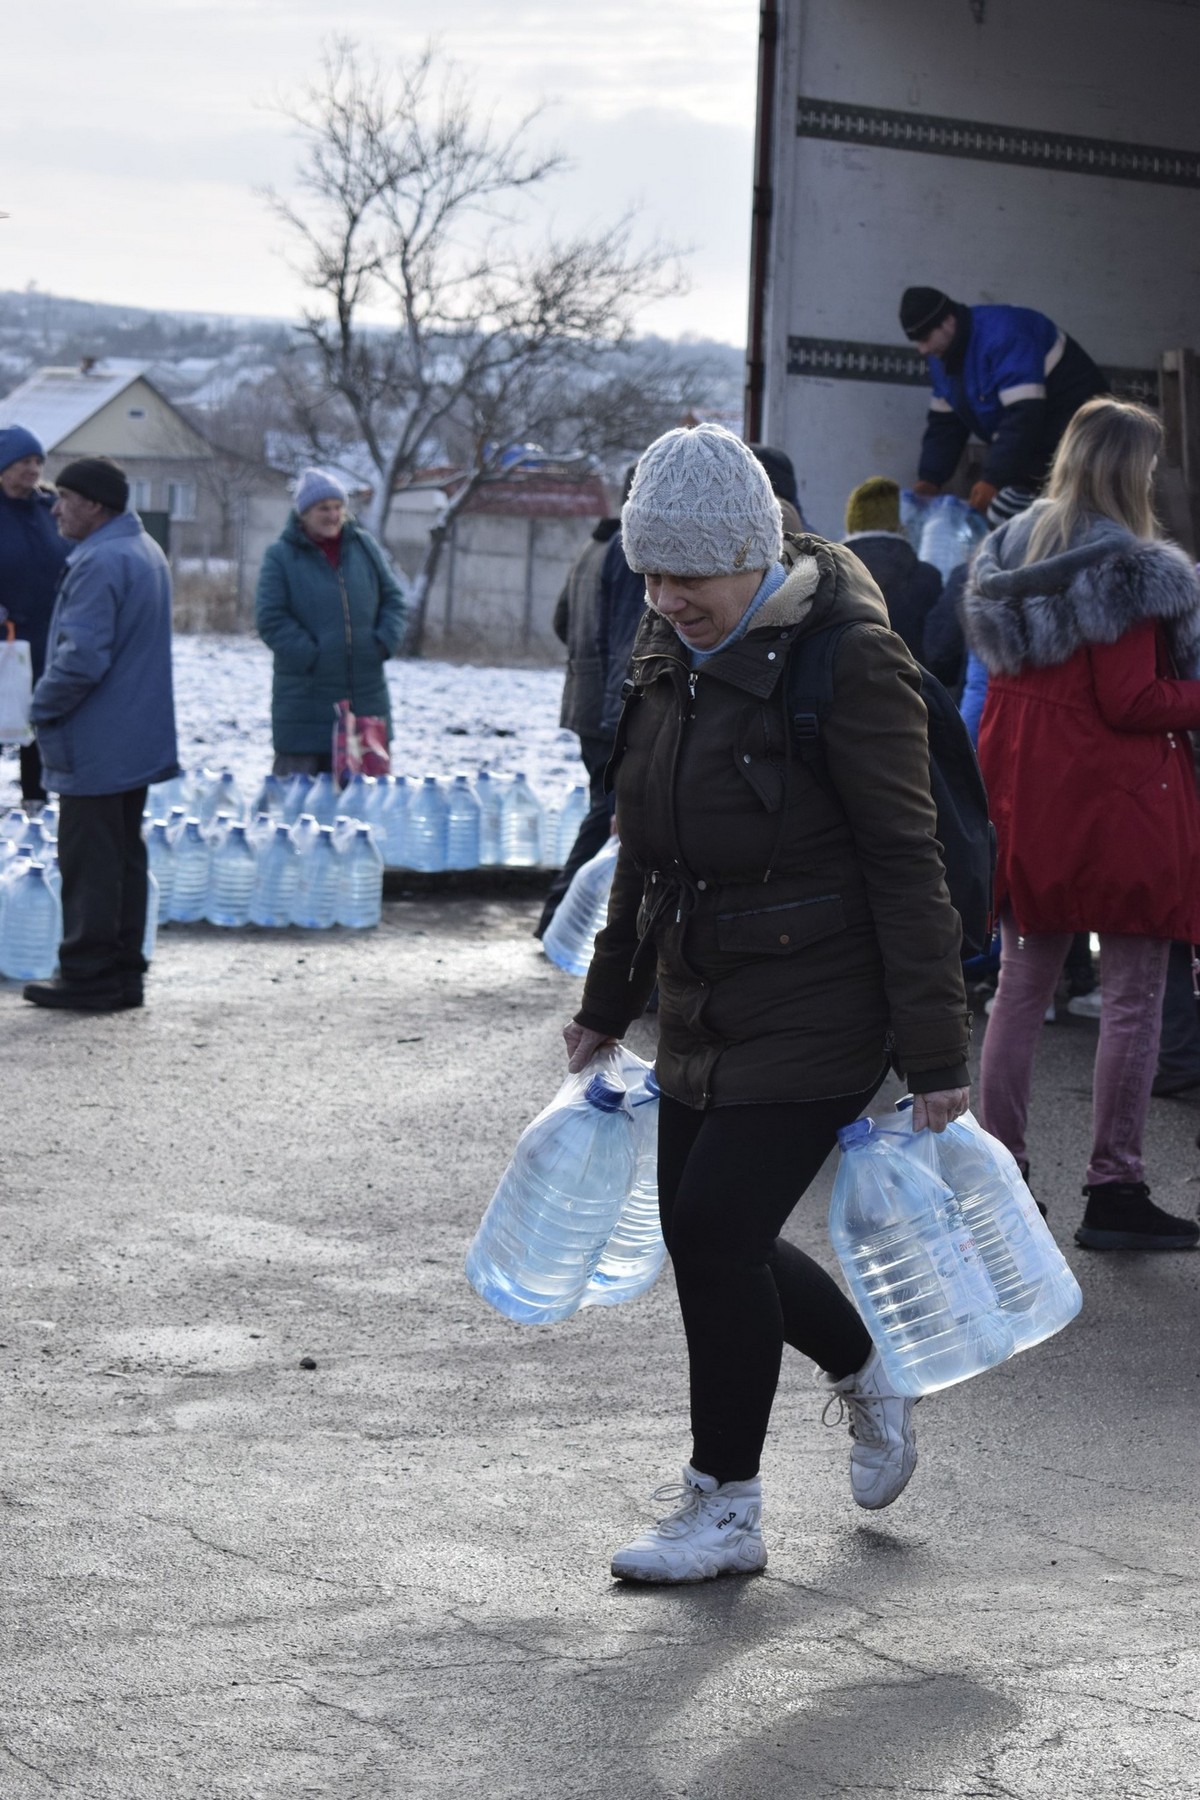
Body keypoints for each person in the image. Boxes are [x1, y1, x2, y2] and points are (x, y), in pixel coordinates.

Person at [562, 423, 971, 1584]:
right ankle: (865, 1367)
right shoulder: (664, 644)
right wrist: (609, 995)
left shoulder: (852, 661)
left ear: (754, 553)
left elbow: (909, 861)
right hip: (706, 989)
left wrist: (939, 1051)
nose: (663, 597)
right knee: (712, 1235)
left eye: (686, 575)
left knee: (711, 1230)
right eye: (649, 572)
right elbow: (641, 839)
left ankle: (723, 1510)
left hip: (827, 995)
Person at [963, 397, 1200, 1252]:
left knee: (1021, 989)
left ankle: (1002, 1176)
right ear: (1129, 470)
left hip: (1025, 797)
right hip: (1117, 807)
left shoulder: (1008, 548)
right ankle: (1115, 1188)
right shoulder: (1128, 568)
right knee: (1133, 997)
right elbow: (1130, 699)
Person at [24, 457, 178, 1013]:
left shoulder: (99, 560)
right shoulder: (142, 551)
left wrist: (31, 710)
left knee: (90, 862)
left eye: (64, 498)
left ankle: (88, 974)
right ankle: (122, 975)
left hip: (97, 740)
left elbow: (80, 660)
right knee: (121, 858)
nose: (56, 509)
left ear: (94, 504)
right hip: (132, 737)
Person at [900, 286, 1108, 523]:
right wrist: (929, 479)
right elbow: (945, 425)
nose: (922, 349)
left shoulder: (1004, 334)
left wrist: (993, 479)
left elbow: (1023, 416)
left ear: (947, 322)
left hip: (1084, 436)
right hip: (1035, 443)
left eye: (925, 339)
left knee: (1063, 516)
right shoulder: (941, 359)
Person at [254, 469, 408, 779]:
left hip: (366, 700)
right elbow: (270, 618)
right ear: (304, 513)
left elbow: (394, 599)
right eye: (323, 508)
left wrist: (382, 641)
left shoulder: (364, 547)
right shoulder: (281, 557)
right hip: (305, 704)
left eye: (338, 506)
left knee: (365, 808)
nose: (333, 514)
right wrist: (313, 654)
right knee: (300, 808)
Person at [0, 425, 70, 803]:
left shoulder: (50, 508)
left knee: (39, 722)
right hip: (5, 640)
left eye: (37, 461)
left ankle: (35, 803)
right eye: (23, 461)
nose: (32, 468)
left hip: (47, 638)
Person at [841, 475, 942, 662]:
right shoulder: (929, 578)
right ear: (898, 524)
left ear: (851, 523)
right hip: (910, 687)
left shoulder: (827, 575)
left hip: (842, 688)